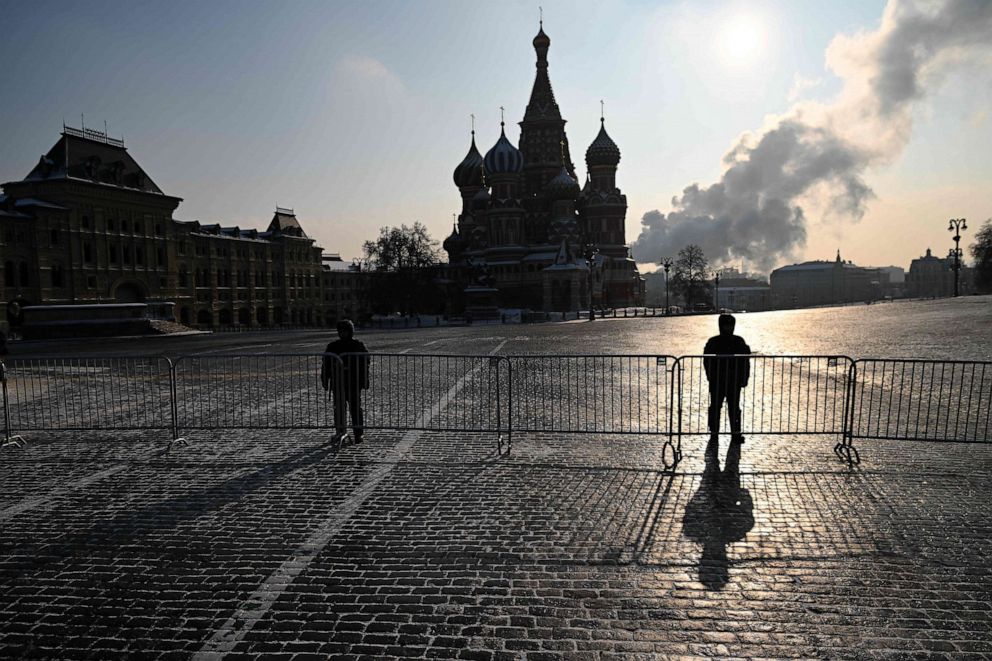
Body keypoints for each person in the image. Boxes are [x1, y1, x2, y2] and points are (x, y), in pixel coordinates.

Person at [703, 314, 750, 444]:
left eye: (730, 325)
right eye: (726, 325)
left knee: (733, 407)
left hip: (732, 380)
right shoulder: (716, 341)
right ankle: (714, 432)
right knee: (716, 407)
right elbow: (707, 361)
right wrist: (710, 376)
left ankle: (735, 433)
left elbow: (745, 361)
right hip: (718, 380)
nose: (728, 328)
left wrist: (744, 377)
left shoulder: (737, 341)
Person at [320, 320, 369, 444]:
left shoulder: (357, 345)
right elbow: (325, 364)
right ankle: (340, 431)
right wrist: (325, 379)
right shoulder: (333, 346)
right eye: (340, 331)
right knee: (339, 408)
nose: (342, 333)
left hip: (353, 382)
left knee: (355, 408)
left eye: (345, 331)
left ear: (350, 331)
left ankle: (359, 433)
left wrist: (364, 380)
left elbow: (365, 363)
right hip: (337, 382)